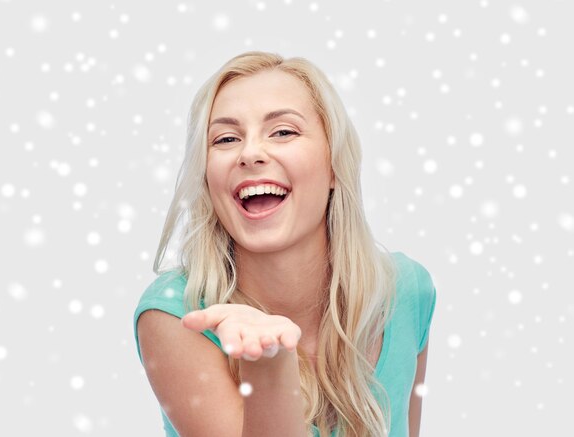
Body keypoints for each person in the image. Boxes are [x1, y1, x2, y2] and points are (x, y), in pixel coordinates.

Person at [133, 51, 437, 437]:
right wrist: (268, 362)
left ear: (333, 165)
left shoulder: (407, 291)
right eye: (226, 139)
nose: (250, 153)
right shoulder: (176, 316)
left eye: (283, 132)